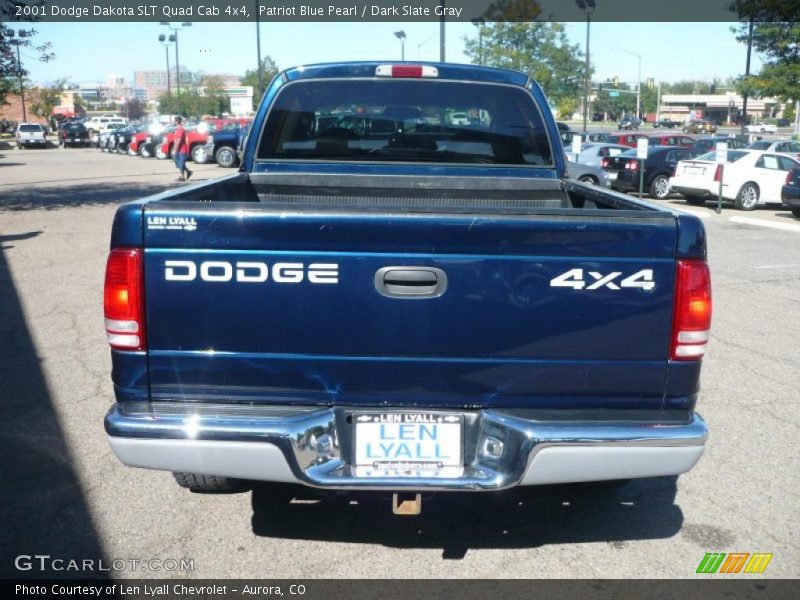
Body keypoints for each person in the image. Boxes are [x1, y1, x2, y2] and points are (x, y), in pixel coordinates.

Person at [172, 116, 192, 182]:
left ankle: (183, 176)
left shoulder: (180, 129)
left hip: (182, 150)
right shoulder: (178, 129)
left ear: (177, 122)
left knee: (181, 163)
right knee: (179, 163)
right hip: (179, 149)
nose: (173, 122)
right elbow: (175, 140)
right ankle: (188, 172)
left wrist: (175, 149)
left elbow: (179, 140)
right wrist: (174, 148)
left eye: (174, 121)